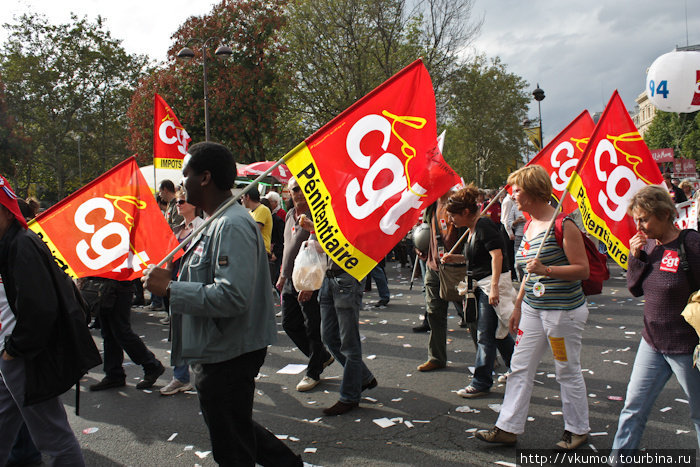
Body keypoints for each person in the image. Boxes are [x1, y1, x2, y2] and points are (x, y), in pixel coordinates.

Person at [144, 142, 301, 466]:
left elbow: (232, 296)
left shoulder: (232, 225)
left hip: (229, 350)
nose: (181, 185)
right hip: (216, 346)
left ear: (204, 178)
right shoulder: (215, 223)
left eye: (186, 176)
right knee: (233, 426)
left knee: (230, 445)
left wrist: (171, 289)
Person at [476, 165, 590, 450]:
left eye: (517, 191)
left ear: (533, 191)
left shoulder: (565, 224)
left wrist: (547, 269)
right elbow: (528, 274)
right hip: (532, 309)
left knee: (566, 369)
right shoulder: (528, 225)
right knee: (519, 367)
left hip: (562, 313)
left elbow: (583, 270)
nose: (513, 196)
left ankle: (577, 429)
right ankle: (507, 427)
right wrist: (517, 307)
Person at [0, 175, 88, 466]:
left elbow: (39, 309)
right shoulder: (12, 241)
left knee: (55, 440)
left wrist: (13, 350)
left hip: (23, 356)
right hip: (15, 353)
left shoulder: (21, 244)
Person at [610, 185, 700, 461]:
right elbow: (635, 290)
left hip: (687, 347)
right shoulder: (646, 245)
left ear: (664, 214)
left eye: (644, 219)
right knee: (633, 407)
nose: (639, 226)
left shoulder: (691, 243)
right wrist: (635, 258)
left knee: (699, 413)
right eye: (636, 220)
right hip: (652, 342)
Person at [296, 217, 378, 416]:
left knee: (349, 342)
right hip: (329, 277)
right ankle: (363, 377)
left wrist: (316, 235)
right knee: (329, 337)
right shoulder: (328, 207)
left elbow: (350, 241)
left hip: (347, 279)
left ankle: (349, 396)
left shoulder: (357, 208)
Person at [442, 184, 515, 398]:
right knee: (498, 333)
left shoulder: (483, 225)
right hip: (484, 283)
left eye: (453, 215)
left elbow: (497, 256)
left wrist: (493, 289)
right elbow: (478, 258)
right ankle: (517, 368)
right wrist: (455, 258)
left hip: (490, 284)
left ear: (465, 212)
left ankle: (482, 381)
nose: (451, 220)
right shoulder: (473, 229)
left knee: (485, 334)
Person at [275, 177, 334, 392]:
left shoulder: (318, 215)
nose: (298, 193)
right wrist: (283, 274)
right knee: (290, 323)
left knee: (312, 327)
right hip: (291, 279)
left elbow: (325, 246)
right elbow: (287, 248)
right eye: (294, 190)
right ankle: (320, 356)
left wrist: (310, 285)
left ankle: (313, 371)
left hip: (311, 279)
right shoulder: (290, 216)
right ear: (289, 193)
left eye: (302, 189)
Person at [416, 188, 468, 372]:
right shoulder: (430, 204)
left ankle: (486, 357)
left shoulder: (456, 201)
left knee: (471, 314)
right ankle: (436, 357)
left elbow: (468, 233)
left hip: (456, 269)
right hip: (433, 267)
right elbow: (424, 229)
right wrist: (420, 245)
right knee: (434, 313)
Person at [159, 190, 204, 395]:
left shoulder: (204, 227)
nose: (178, 204)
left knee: (196, 331)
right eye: (176, 201)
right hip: (175, 286)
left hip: (194, 286)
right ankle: (180, 377)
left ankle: (203, 376)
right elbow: (169, 261)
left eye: (182, 201)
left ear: (194, 203)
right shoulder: (175, 230)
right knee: (177, 332)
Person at [88, 277, 165, 391]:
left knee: (121, 332)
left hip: (119, 286)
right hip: (104, 285)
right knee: (108, 333)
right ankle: (114, 374)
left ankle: (151, 365)